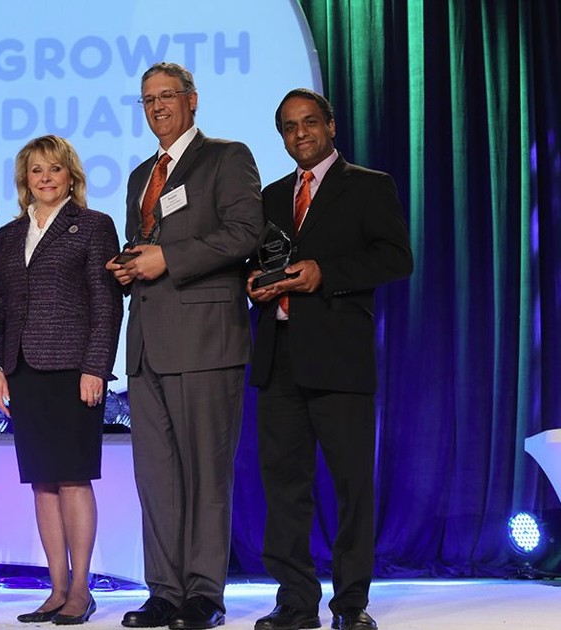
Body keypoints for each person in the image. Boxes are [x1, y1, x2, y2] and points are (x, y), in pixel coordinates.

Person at [246, 89, 413, 630]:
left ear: (331, 126)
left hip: (340, 360)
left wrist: (327, 274)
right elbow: (258, 262)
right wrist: (254, 284)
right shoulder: (271, 197)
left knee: (351, 487)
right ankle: (296, 602)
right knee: (284, 488)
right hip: (279, 357)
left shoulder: (368, 186)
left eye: (310, 123)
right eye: (290, 127)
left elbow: (395, 256)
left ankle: (351, 605)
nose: (301, 134)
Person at [106, 62, 263, 630]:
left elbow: (245, 232)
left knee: (205, 475)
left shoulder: (227, 157)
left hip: (206, 340)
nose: (157, 107)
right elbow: (145, 243)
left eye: (166, 96)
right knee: (157, 479)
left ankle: (204, 594)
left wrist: (168, 259)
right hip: (147, 343)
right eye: (147, 99)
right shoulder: (139, 175)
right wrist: (129, 265)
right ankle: (164, 593)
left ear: (192, 100)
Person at [0, 135, 123, 626]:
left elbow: (107, 305)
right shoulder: (8, 235)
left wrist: (96, 368)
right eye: (36, 170)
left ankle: (81, 589)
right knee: (42, 483)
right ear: (25, 180)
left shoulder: (93, 226)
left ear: (71, 176)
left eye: (54, 169)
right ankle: (56, 588)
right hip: (23, 372)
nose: (45, 178)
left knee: (73, 478)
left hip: (72, 370)